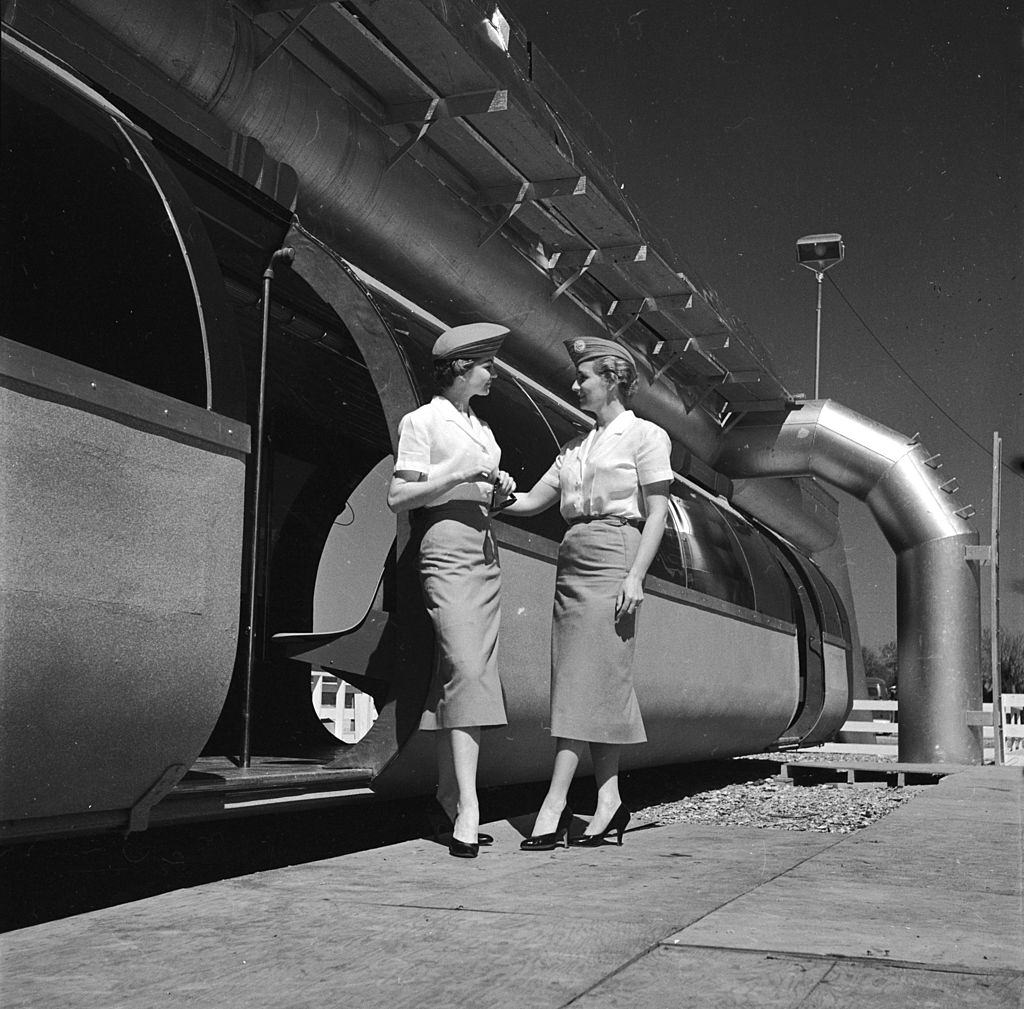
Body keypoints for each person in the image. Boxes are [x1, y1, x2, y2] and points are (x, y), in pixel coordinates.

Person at [502, 336, 671, 850]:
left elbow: (658, 510)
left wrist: (636, 576)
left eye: (584, 377)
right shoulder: (574, 448)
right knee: (595, 682)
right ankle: (609, 800)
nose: (575, 385)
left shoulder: (645, 436)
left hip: (617, 552)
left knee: (586, 679)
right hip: (572, 557)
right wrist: (491, 491)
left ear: (613, 379)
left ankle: (554, 805)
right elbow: (533, 501)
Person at [387, 322, 517, 859]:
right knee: (466, 671)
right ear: (462, 367)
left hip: (484, 550)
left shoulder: (482, 428)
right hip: (444, 543)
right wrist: (457, 472)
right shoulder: (421, 422)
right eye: (488, 365)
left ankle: (447, 795)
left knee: (466, 676)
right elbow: (399, 495)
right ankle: (469, 806)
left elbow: (479, 487)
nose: (494, 374)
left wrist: (498, 489)